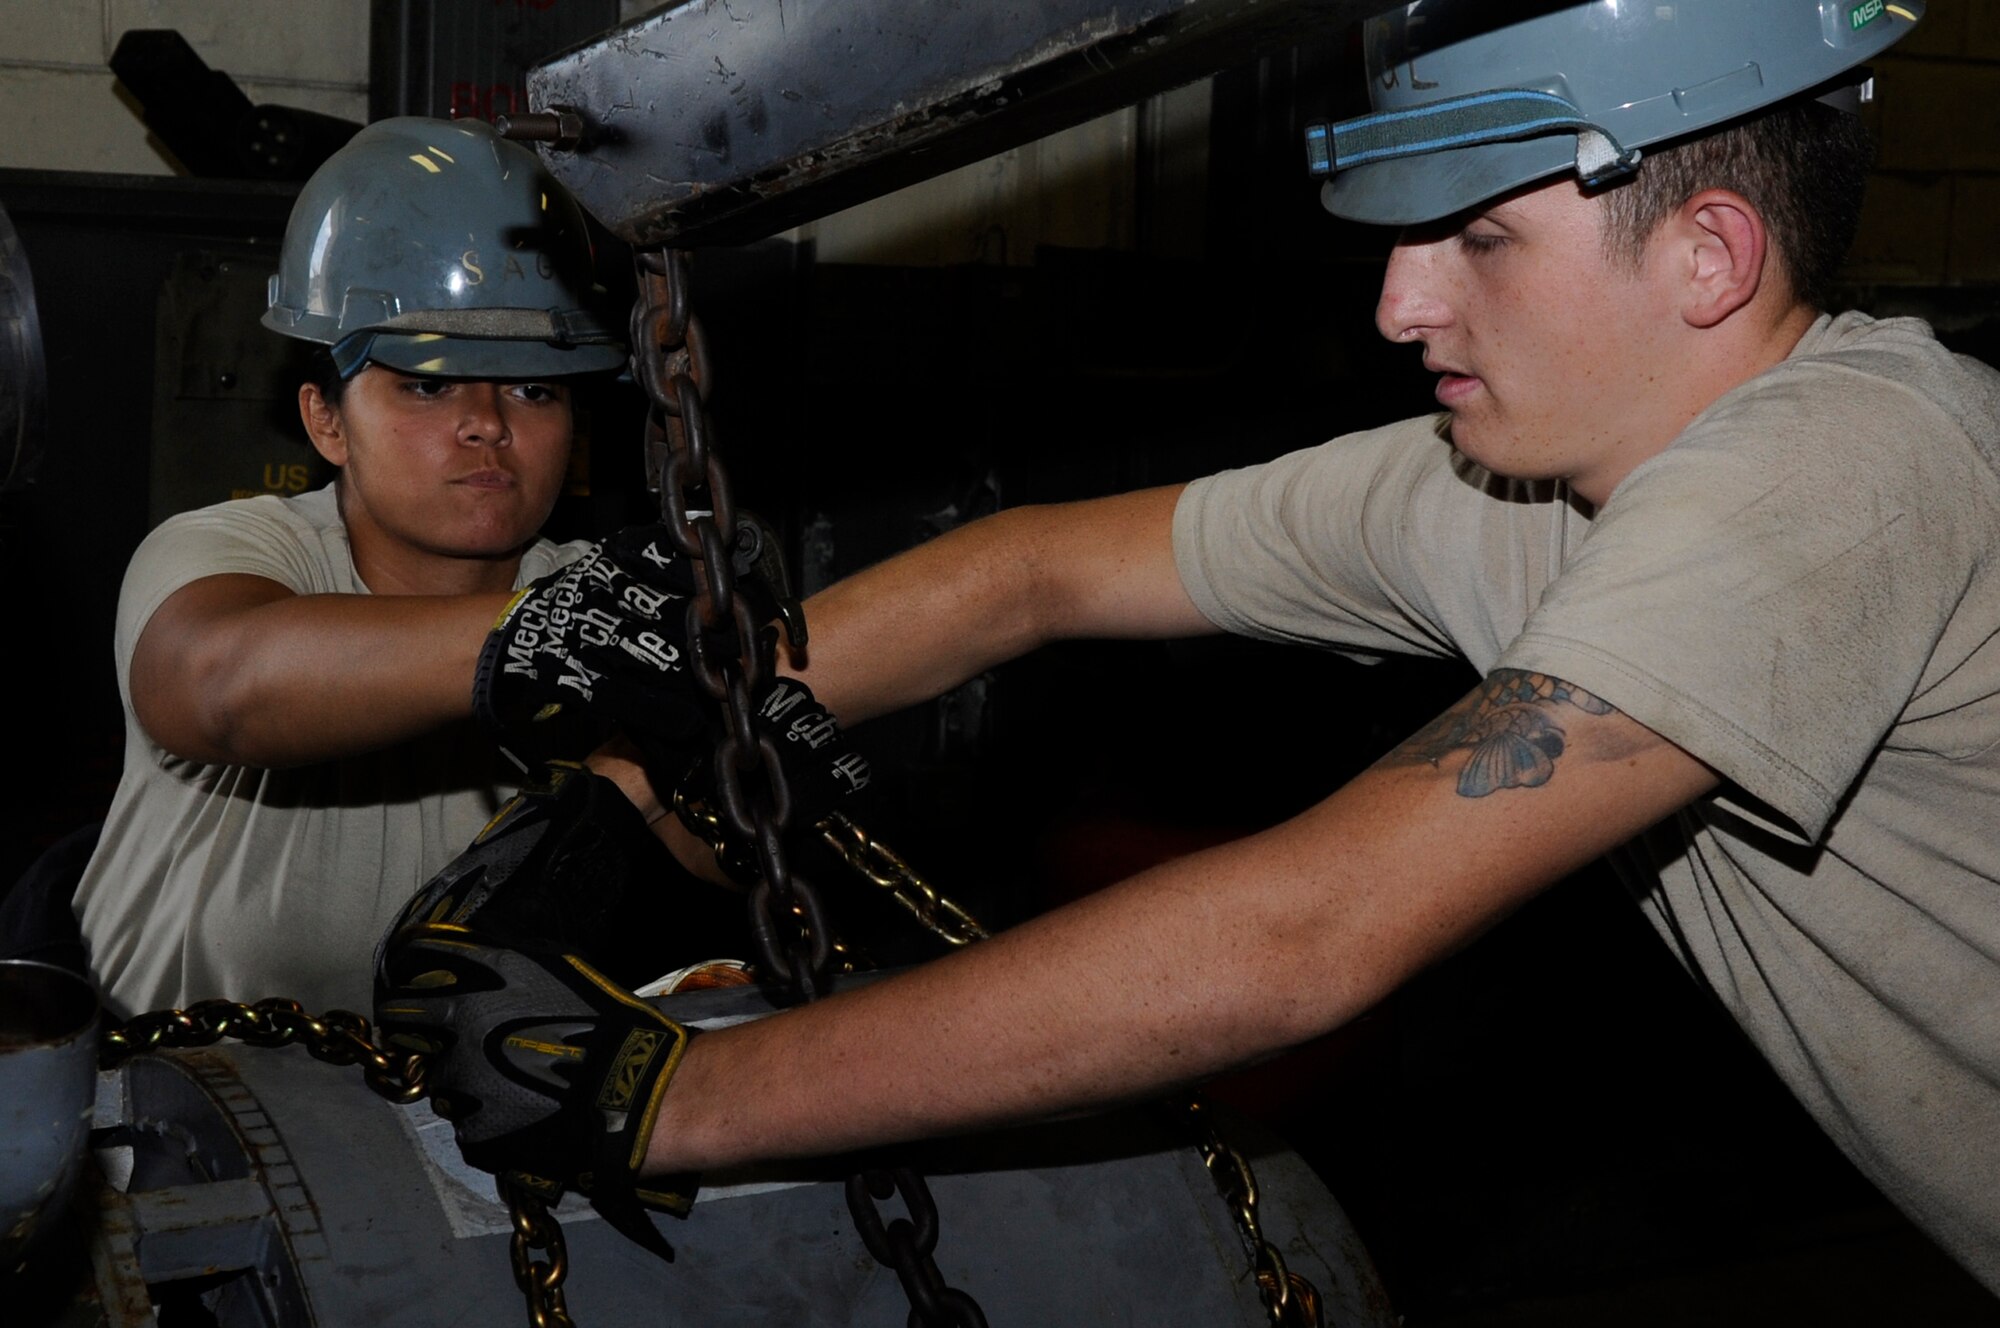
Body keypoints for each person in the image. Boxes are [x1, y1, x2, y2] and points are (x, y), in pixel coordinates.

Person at [380, 0, 2000, 1298]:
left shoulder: (1838, 467)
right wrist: (615, 788)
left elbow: (1308, 931)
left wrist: (670, 1093)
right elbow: (1029, 574)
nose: (1399, 303)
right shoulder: (1512, 484)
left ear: (1710, 255)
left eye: (1478, 239)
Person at [72, 115, 737, 1020]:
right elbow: (216, 685)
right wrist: (558, 634)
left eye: (534, 389)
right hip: (189, 1114)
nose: (488, 423)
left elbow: (715, 860)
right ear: (326, 421)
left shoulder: (617, 602)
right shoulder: (239, 555)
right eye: (428, 384)